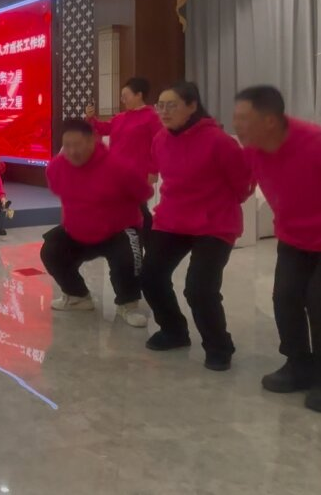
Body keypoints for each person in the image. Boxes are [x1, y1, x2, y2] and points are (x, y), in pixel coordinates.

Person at [141, 82, 253, 371]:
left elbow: (243, 185)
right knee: (151, 275)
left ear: (192, 106)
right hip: (173, 219)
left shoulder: (219, 142)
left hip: (214, 222)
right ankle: (174, 330)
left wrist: (214, 202)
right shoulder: (160, 139)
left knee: (199, 288)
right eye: (160, 106)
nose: (164, 112)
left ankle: (218, 346)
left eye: (172, 105)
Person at [234, 85, 321, 412]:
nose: (237, 125)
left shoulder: (314, 144)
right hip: (294, 238)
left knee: (318, 301)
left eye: (243, 118)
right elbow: (238, 184)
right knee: (284, 297)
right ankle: (299, 364)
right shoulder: (253, 151)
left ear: (269, 120)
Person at [41, 119, 153, 327]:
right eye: (67, 145)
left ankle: (128, 304)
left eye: (78, 144)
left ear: (92, 140)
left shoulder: (119, 166)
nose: (72, 151)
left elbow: (144, 193)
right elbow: (62, 193)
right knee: (51, 249)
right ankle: (77, 297)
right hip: (79, 230)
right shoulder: (56, 168)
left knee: (128, 256)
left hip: (118, 229)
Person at [86, 77, 163, 234]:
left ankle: (142, 237)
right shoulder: (120, 118)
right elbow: (103, 128)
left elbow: (159, 145)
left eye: (125, 96)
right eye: (122, 96)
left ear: (139, 95)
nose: (123, 100)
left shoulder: (152, 117)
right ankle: (130, 237)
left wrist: (153, 170)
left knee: (135, 207)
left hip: (138, 172)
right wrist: (91, 118)